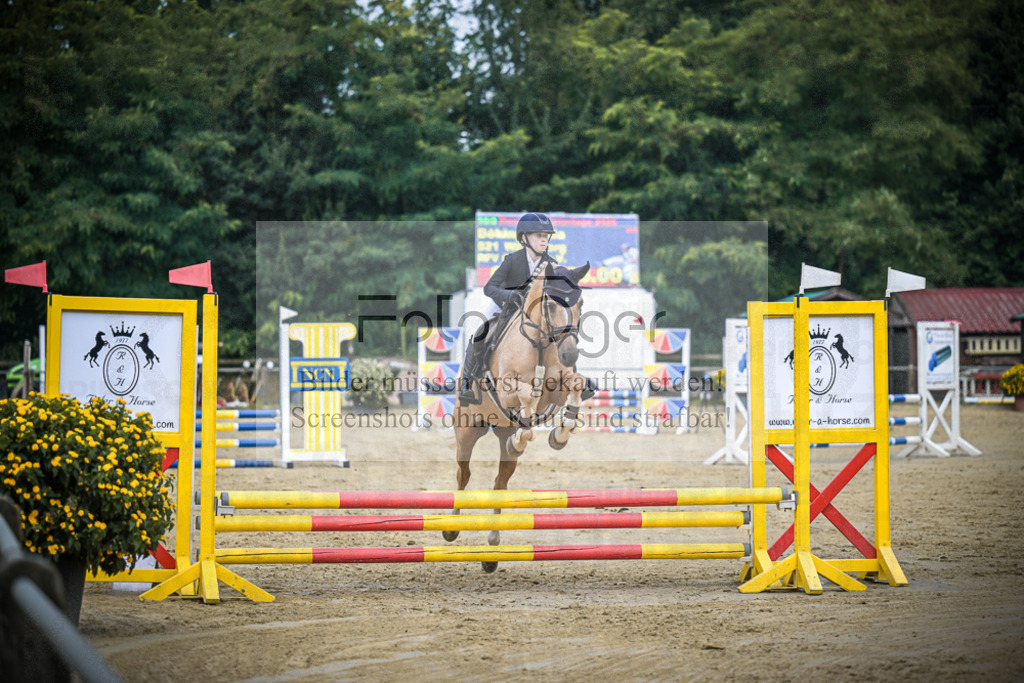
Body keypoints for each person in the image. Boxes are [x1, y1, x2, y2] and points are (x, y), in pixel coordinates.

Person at [459, 212, 595, 404]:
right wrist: (509, 295)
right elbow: (490, 288)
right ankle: (467, 383)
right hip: (505, 306)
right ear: (524, 238)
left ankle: (574, 375)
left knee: (562, 332)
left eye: (546, 236)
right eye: (538, 235)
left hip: (535, 313)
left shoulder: (551, 263)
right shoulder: (512, 260)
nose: (543, 240)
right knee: (480, 333)